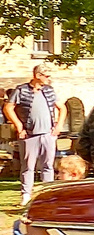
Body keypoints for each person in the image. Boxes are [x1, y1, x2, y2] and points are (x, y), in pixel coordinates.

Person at [7, 154, 86, 235]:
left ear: (73, 175)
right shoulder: (72, 190)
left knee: (19, 226)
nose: (58, 176)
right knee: (20, 223)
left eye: (61, 173)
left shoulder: (70, 192)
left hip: (63, 228)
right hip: (60, 225)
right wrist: (31, 216)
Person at [5, 62, 62, 202]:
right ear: (38, 76)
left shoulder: (49, 90)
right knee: (28, 166)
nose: (49, 79)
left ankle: (48, 194)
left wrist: (58, 126)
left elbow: (62, 107)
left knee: (48, 165)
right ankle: (26, 195)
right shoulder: (21, 90)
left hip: (48, 134)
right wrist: (18, 125)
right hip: (29, 135)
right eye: (47, 76)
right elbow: (8, 108)